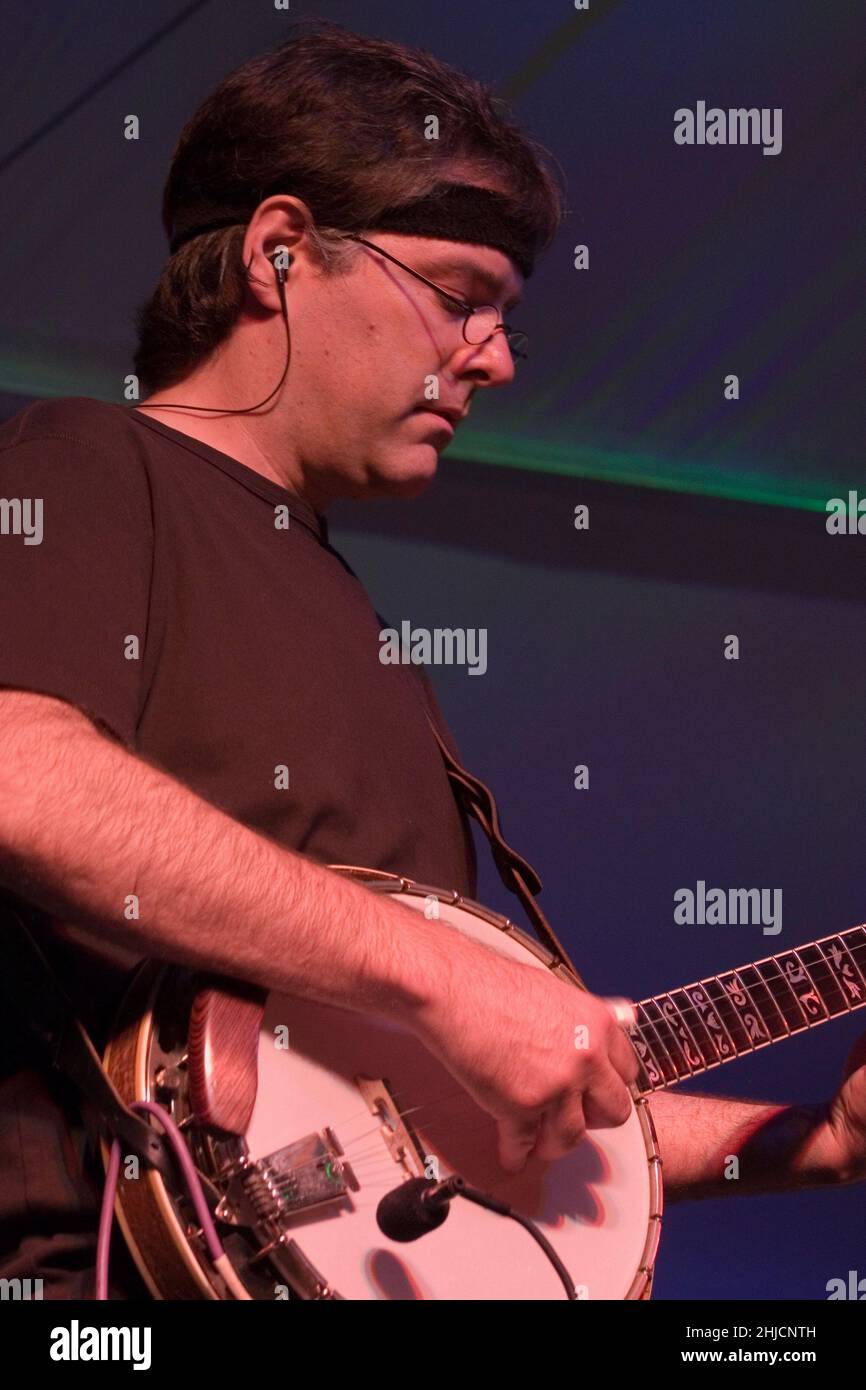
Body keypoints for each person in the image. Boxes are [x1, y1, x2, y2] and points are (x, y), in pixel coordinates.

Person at [1, 23, 863, 1302]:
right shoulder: (85, 461)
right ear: (277, 251)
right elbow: (21, 773)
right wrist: (446, 976)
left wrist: (820, 1145)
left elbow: (430, 1127)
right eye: (463, 298)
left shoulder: (354, 616)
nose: (499, 358)